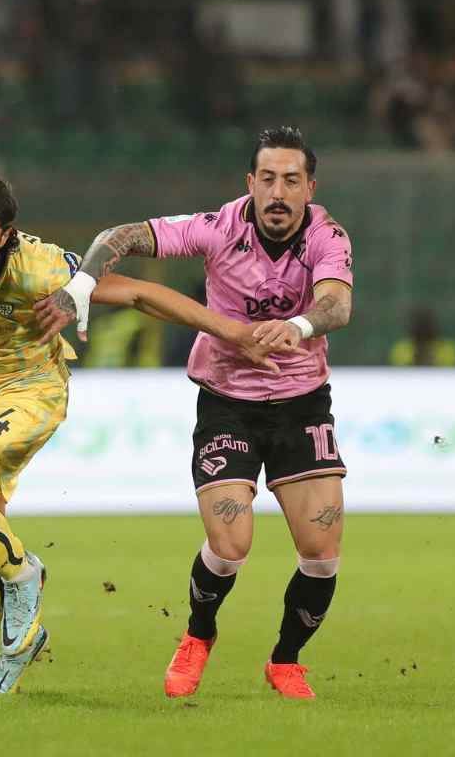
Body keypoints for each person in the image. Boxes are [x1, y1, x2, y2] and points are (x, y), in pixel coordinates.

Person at [0, 172, 296, 695]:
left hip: (29, 390)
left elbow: (139, 293)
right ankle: (16, 646)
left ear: (5, 236)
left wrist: (234, 333)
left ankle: (26, 576)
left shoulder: (39, 267)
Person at [35, 126, 354, 699]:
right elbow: (119, 236)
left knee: (322, 553)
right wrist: (83, 282)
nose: (278, 193)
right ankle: (198, 634)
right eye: (267, 179)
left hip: (302, 401)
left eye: (291, 181)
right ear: (250, 183)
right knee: (230, 546)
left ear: (310, 188)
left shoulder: (327, 236)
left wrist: (300, 325)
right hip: (228, 401)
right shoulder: (217, 228)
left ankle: (286, 661)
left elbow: (337, 304)